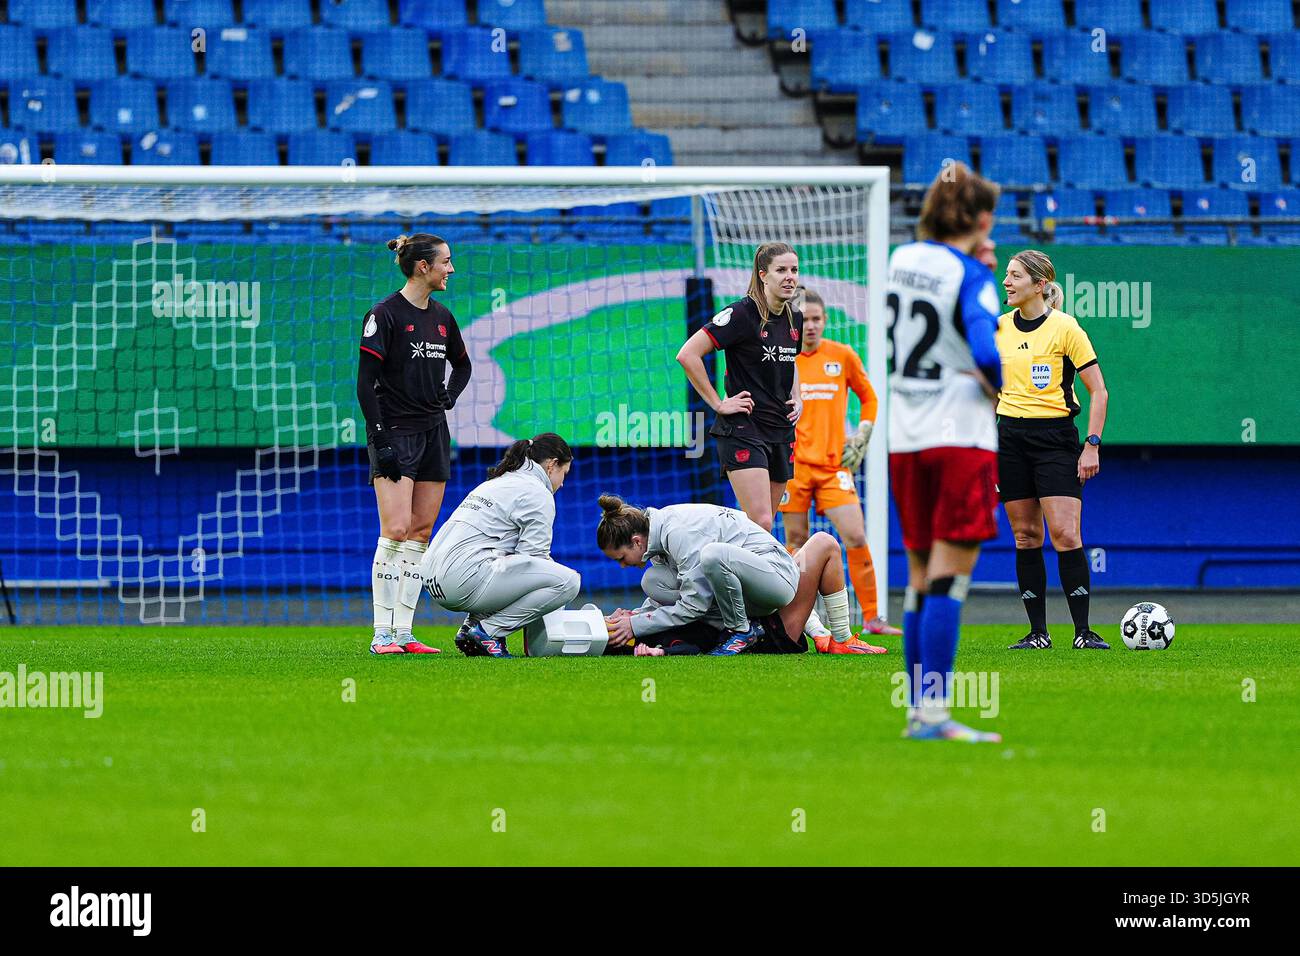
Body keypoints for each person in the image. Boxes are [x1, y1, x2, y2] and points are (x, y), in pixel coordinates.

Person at [887, 162, 1005, 742]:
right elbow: (985, 351)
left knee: (916, 577)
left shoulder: (900, 261)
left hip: (906, 437)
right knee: (949, 580)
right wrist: (1002, 386)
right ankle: (934, 714)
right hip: (959, 439)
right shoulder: (970, 274)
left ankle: (916, 710)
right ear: (982, 219)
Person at [358, 233, 471, 655]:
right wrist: (381, 439)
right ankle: (380, 634)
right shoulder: (384, 314)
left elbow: (462, 365)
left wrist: (450, 396)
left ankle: (404, 633)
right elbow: (365, 385)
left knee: (421, 532)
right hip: (394, 431)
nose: (451, 269)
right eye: (446, 261)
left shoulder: (443, 316)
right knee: (396, 530)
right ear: (423, 266)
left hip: (433, 433)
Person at [996, 250, 1110, 650]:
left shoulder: (1066, 328)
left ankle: (1083, 632)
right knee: (1025, 536)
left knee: (1064, 533)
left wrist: (1091, 445)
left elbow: (1099, 391)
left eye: (1014, 276)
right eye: (1006, 275)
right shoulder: (998, 329)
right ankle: (1037, 634)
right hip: (1010, 439)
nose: (1006, 282)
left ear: (1039, 285)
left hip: (1056, 440)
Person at [778, 285, 899, 645]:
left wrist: (862, 433)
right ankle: (797, 619)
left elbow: (870, 397)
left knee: (856, 536)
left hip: (834, 468)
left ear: (826, 320)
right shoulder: (785, 358)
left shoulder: (841, 355)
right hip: (794, 467)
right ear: (795, 322)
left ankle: (874, 618)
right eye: (805, 319)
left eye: (817, 319)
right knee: (795, 543)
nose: (812, 326)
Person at [595, 495, 860, 656]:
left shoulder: (676, 532)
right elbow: (682, 591)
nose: (622, 566)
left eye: (620, 558)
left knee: (713, 555)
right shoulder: (656, 537)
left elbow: (693, 605)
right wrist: (635, 616)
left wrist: (637, 625)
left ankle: (741, 631)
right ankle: (746, 628)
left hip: (777, 581)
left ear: (637, 541)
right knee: (652, 581)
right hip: (754, 593)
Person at [676, 242, 803, 532]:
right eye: (781, 270)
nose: (789, 277)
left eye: (794, 270)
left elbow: (790, 361)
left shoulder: (794, 316)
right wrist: (719, 404)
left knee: (763, 531)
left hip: (781, 428)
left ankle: (743, 575)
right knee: (760, 521)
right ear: (763, 275)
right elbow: (687, 354)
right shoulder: (742, 314)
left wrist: (798, 396)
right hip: (744, 429)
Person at [420, 433, 579, 659]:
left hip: (431, 578)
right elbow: (534, 558)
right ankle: (488, 632)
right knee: (568, 581)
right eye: (564, 473)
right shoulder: (537, 492)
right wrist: (555, 607)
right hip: (460, 580)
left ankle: (470, 628)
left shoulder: (497, 482)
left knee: (502, 561)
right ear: (552, 465)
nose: (562, 483)